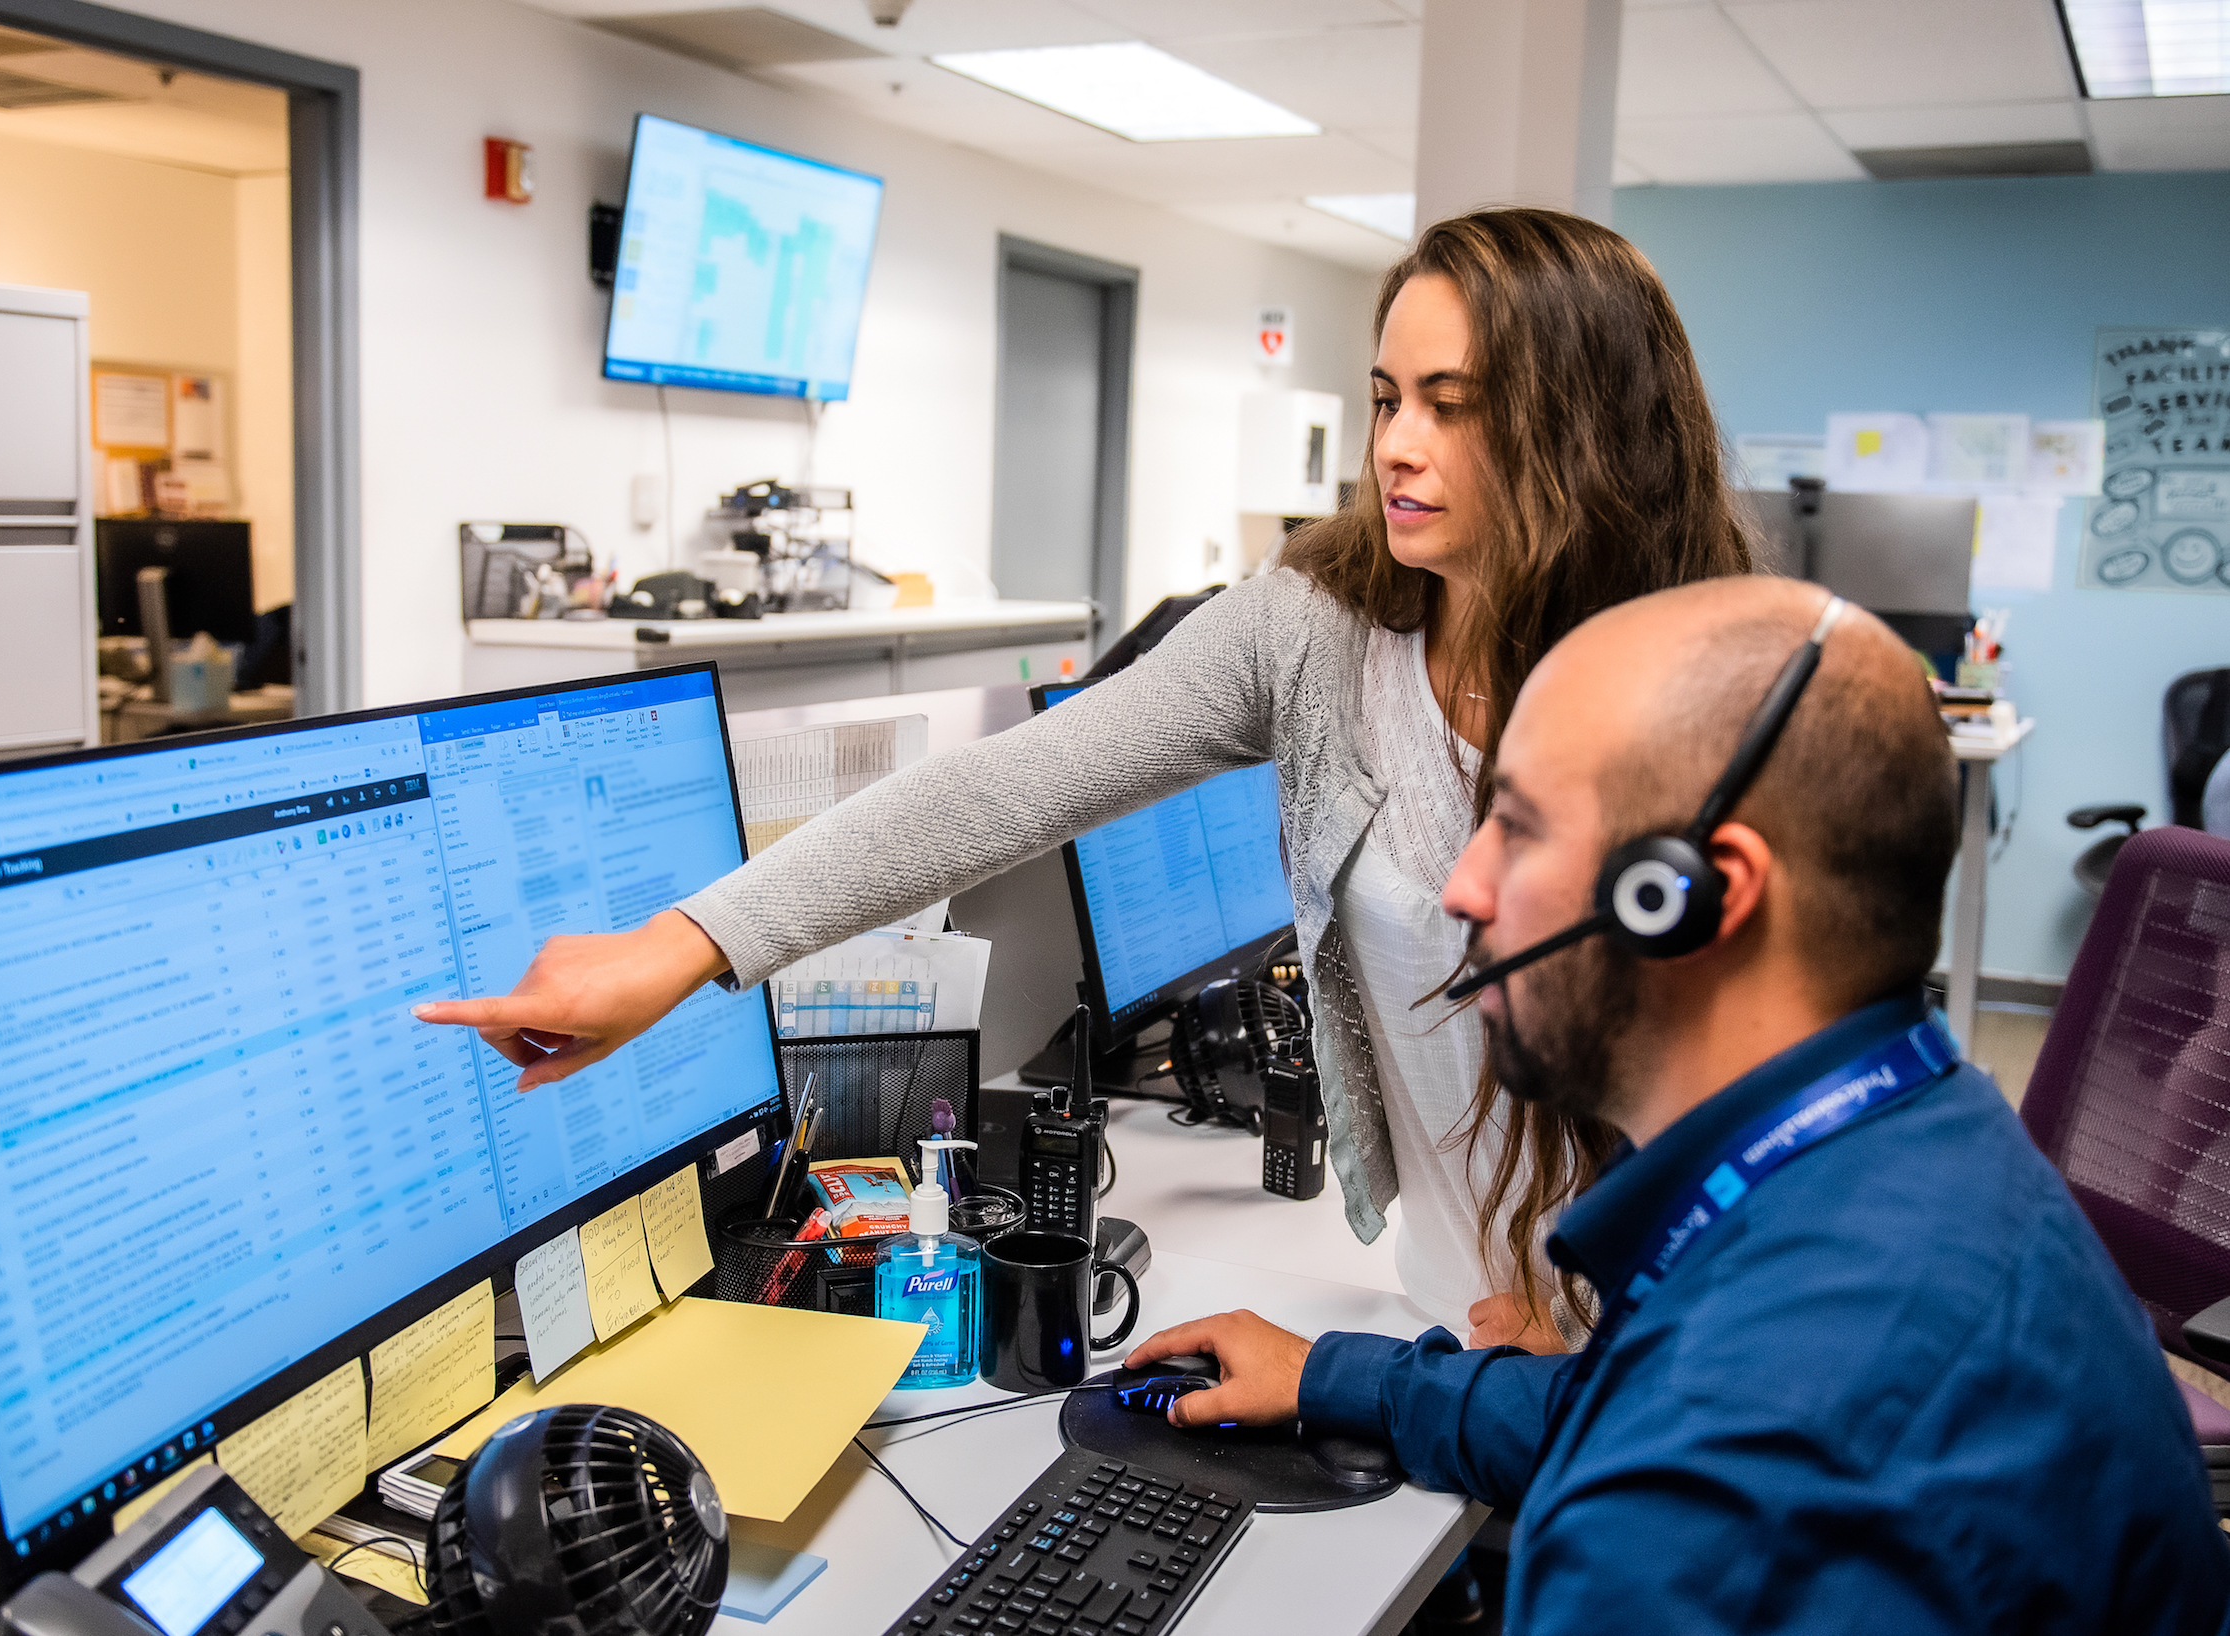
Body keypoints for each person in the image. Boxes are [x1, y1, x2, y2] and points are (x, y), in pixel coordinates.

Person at [413, 207, 1754, 1348]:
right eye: (1386, 399)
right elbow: (1005, 789)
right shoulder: (1318, 625)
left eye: (1450, 409)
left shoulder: (1702, 686)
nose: (1395, 446)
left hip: (1674, 1329)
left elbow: (1761, 1069)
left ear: (1578, 429)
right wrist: (681, 945)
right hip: (1455, 1308)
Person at [1122, 576, 2230, 1631]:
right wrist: (1334, 1375)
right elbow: (1611, 1403)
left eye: (1519, 825)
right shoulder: (1920, 1138)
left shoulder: (1716, 1492)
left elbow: (1677, 1444)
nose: (1465, 885)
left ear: (1683, 900)